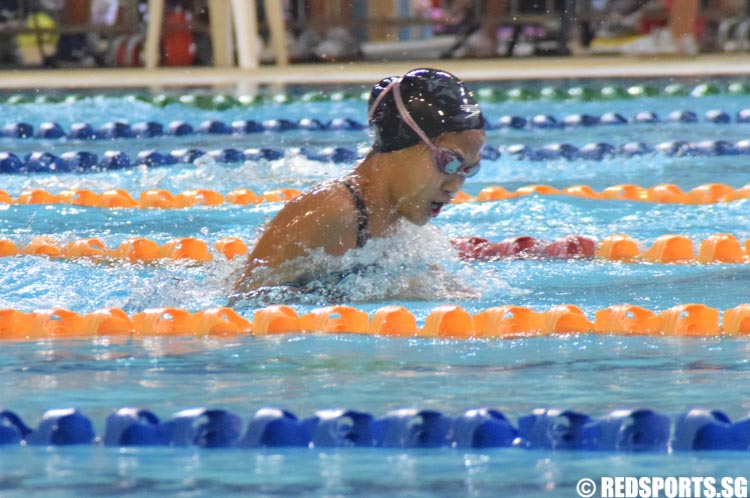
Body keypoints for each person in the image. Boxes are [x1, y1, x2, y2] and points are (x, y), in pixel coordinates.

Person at [231, 68, 485, 302]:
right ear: (401, 143)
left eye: (468, 170)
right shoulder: (332, 210)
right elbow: (245, 301)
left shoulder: (397, 216)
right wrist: (384, 292)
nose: (454, 186)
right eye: (449, 163)